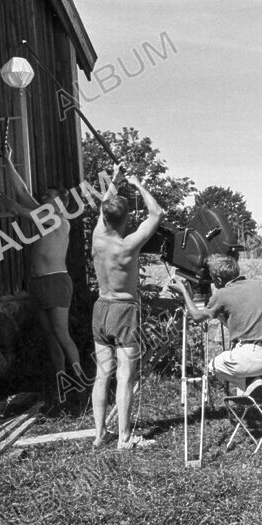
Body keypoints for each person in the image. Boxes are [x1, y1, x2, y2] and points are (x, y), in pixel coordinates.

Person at [0, 156, 81, 408]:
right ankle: (62, 386)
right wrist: (8, 160)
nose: (42, 200)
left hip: (56, 282)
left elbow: (17, 208)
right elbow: (22, 191)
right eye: (43, 197)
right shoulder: (45, 214)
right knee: (51, 336)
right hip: (39, 283)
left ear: (61, 202)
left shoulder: (57, 219)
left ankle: (81, 384)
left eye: (48, 197)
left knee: (62, 333)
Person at [91, 167, 163, 450]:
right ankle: (124, 437)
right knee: (124, 376)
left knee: (101, 374)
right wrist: (137, 183)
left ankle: (99, 434)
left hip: (100, 308)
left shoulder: (98, 237)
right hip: (123, 309)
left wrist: (116, 180)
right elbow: (157, 213)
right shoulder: (128, 245)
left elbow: (103, 208)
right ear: (126, 219)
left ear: (106, 217)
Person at [171, 254, 262, 392]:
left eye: (213, 279)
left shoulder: (223, 294)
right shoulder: (260, 286)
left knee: (214, 366)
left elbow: (196, 316)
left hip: (250, 359)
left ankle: (252, 384)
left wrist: (184, 293)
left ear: (218, 279)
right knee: (254, 362)